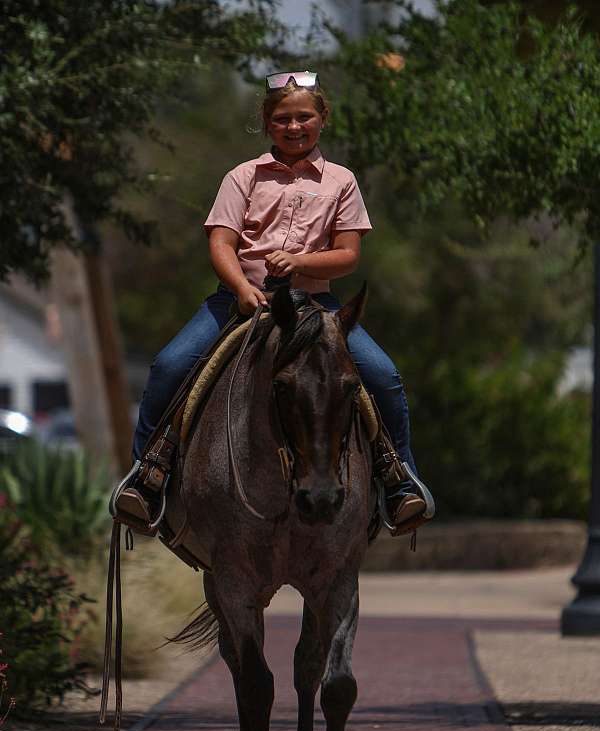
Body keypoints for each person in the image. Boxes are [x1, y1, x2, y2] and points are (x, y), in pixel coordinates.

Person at [115, 71, 433, 535]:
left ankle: (399, 480)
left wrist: (302, 259)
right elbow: (221, 244)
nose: (294, 126)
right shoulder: (243, 176)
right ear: (267, 124)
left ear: (322, 118)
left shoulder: (341, 181)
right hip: (238, 300)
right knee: (169, 365)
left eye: (304, 116)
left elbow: (347, 256)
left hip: (316, 306)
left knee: (383, 375)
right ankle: (147, 476)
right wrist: (244, 289)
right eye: (282, 119)